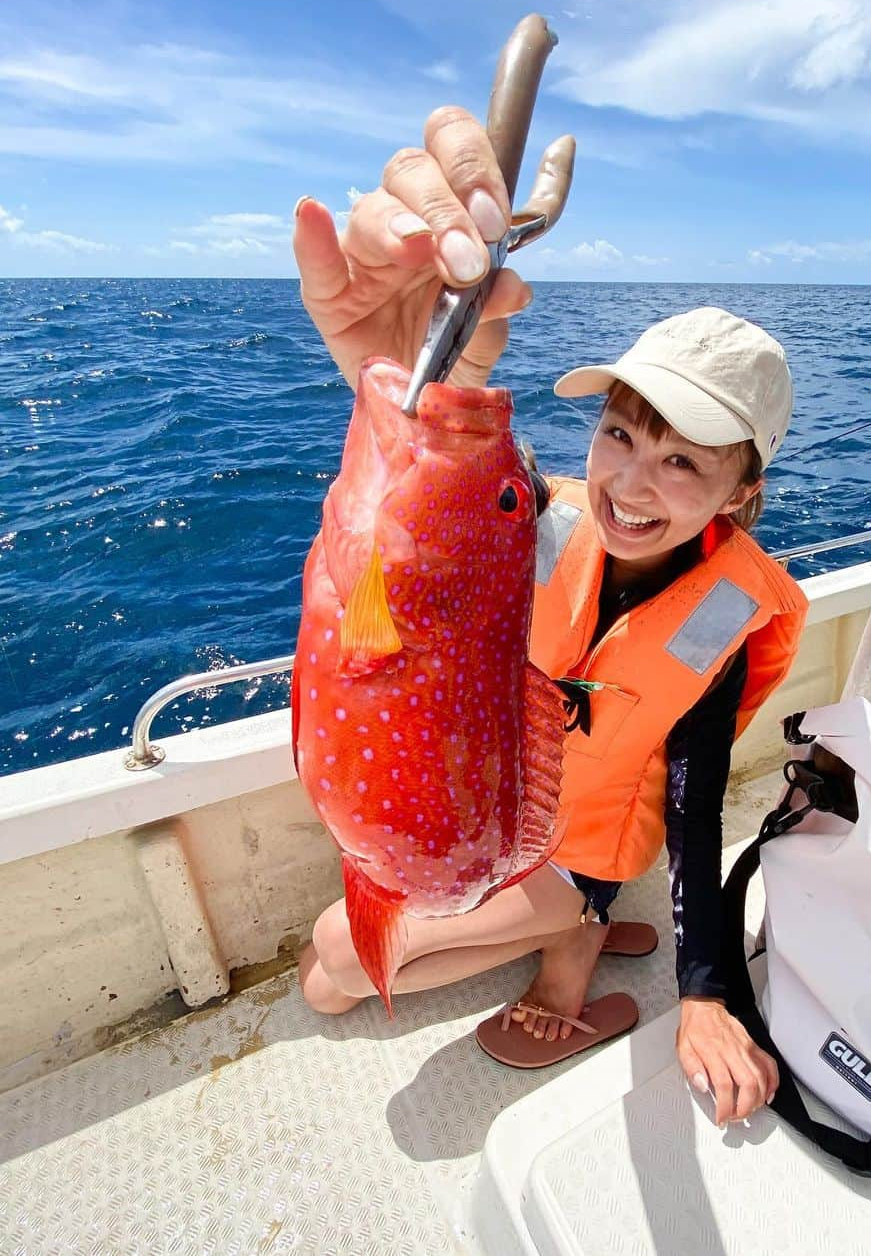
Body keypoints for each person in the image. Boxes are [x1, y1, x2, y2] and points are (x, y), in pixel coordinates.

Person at [292, 105, 807, 1126]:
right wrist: (417, 358)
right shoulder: (534, 518)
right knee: (323, 971)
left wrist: (705, 990)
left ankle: (574, 934)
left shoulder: (727, 611)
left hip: (591, 844)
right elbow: (431, 487)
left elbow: (698, 799)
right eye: (621, 434)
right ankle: (557, 927)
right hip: (500, 813)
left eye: (685, 462)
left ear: (741, 494)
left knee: (339, 969)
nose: (631, 482)